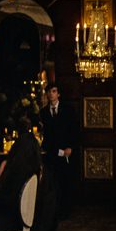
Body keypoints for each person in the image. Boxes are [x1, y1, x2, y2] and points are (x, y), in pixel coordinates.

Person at [39, 85, 78, 218]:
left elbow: (74, 129)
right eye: (49, 92)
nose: (51, 94)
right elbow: (47, 133)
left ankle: (66, 210)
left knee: (65, 180)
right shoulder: (44, 112)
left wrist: (70, 147)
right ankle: (54, 210)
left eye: (54, 91)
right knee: (53, 181)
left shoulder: (67, 110)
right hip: (52, 150)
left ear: (58, 94)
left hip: (66, 149)